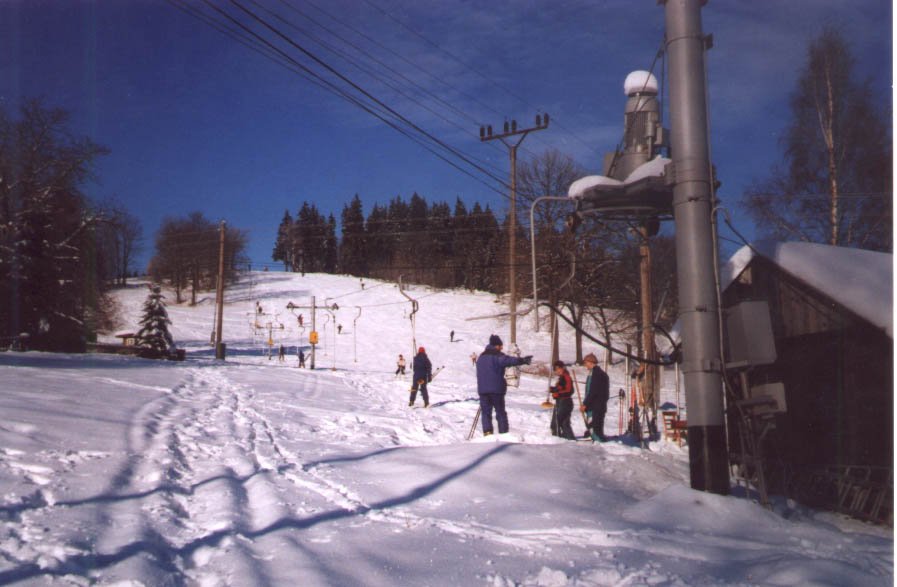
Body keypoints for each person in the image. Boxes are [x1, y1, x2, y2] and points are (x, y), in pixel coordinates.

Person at [475, 334, 532, 436]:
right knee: (500, 412)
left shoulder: (481, 357)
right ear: (496, 345)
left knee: (486, 413)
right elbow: (510, 360)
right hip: (496, 390)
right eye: (500, 345)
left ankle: (487, 434)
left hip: (483, 391)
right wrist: (523, 360)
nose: (501, 348)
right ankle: (504, 434)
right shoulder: (497, 356)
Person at [580, 353, 610, 441]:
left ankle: (599, 449)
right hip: (598, 406)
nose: (585, 365)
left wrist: (585, 404)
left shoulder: (596, 374)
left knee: (595, 431)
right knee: (596, 429)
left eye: (586, 363)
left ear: (590, 362)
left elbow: (593, 391)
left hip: (595, 408)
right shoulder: (598, 373)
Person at [550, 360, 575, 440]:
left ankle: (556, 441)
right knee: (564, 424)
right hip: (561, 402)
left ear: (562, 368)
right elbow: (561, 388)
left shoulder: (566, 377)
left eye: (558, 369)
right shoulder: (561, 378)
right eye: (556, 369)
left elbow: (569, 390)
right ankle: (570, 440)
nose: (557, 371)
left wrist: (558, 394)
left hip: (565, 402)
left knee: (555, 424)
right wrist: (553, 389)